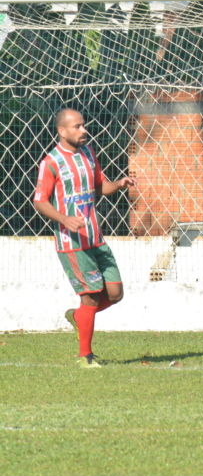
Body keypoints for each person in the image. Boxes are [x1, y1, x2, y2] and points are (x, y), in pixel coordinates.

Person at [31, 108, 136, 368]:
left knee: (114, 293)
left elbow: (100, 186)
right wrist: (64, 219)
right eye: (77, 126)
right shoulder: (51, 162)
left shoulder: (89, 154)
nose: (84, 130)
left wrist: (119, 184)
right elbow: (39, 201)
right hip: (72, 242)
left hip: (95, 237)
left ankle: (80, 317)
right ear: (62, 131)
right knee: (89, 296)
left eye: (83, 125)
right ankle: (85, 357)